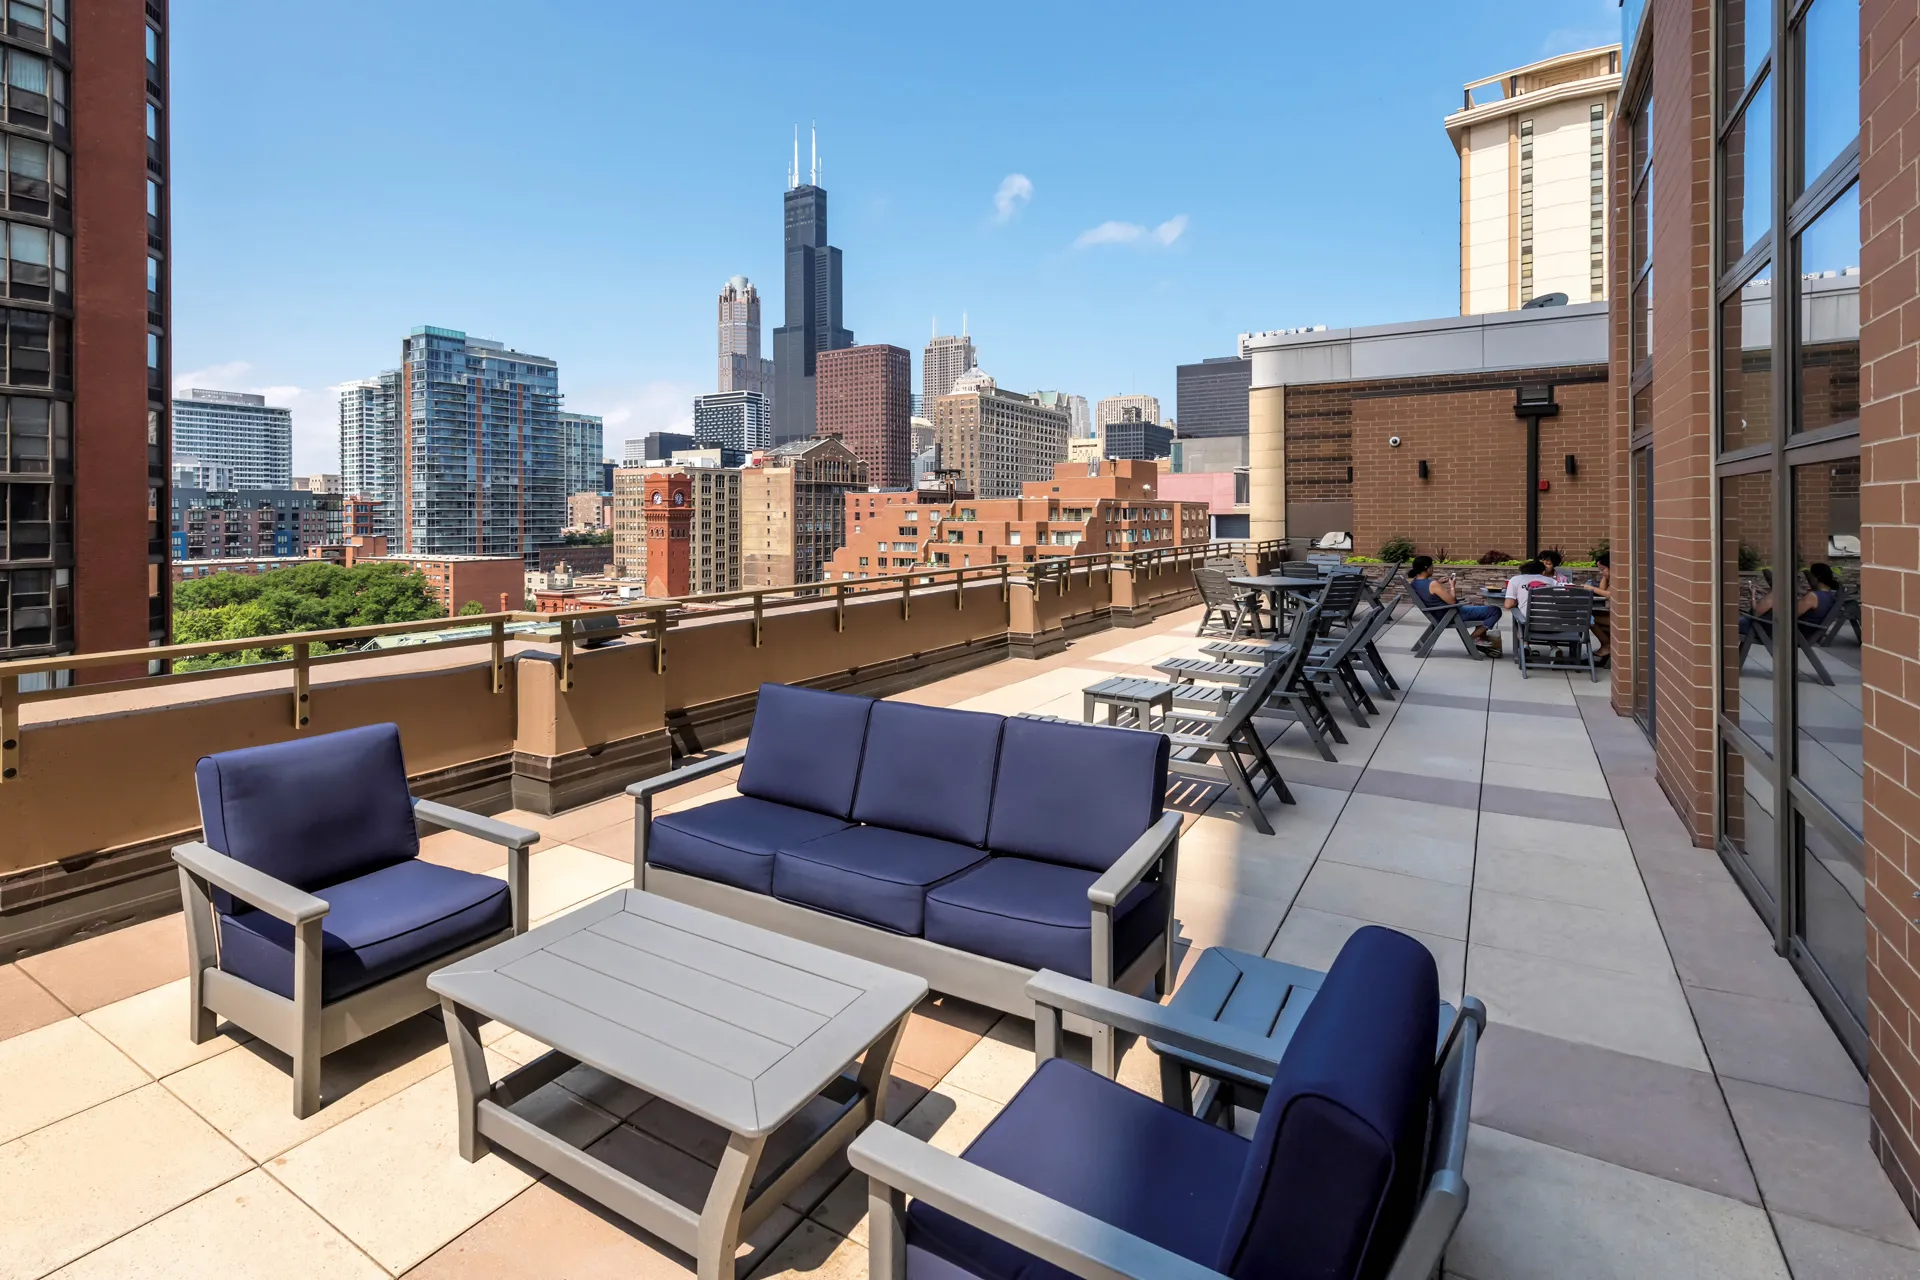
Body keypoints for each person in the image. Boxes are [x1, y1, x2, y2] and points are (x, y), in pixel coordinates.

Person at [1408, 555, 1503, 654]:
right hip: (1452, 614)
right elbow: (1452, 601)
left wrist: (1438, 582)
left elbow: (1428, 591)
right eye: (1432, 566)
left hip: (1439, 614)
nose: (1433, 568)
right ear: (1427, 569)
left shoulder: (1415, 582)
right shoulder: (1432, 584)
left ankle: (1480, 637)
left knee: (1484, 612)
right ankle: (1472, 639)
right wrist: (1452, 586)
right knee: (1494, 611)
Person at [1501, 559, 1560, 624]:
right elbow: (1561, 601)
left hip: (1530, 626)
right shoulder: (1552, 582)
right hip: (1554, 625)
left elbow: (1508, 605)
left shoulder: (1515, 579)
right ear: (1543, 572)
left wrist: (1520, 600)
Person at [1589, 551, 1612, 661]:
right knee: (1590, 617)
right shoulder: (1611, 580)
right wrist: (1605, 575)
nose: (1601, 572)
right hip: (1610, 615)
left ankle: (1607, 646)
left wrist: (1591, 589)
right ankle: (1606, 646)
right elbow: (1602, 590)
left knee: (1588, 618)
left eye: (1603, 569)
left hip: (1617, 618)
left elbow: (1609, 594)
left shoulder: (1620, 581)